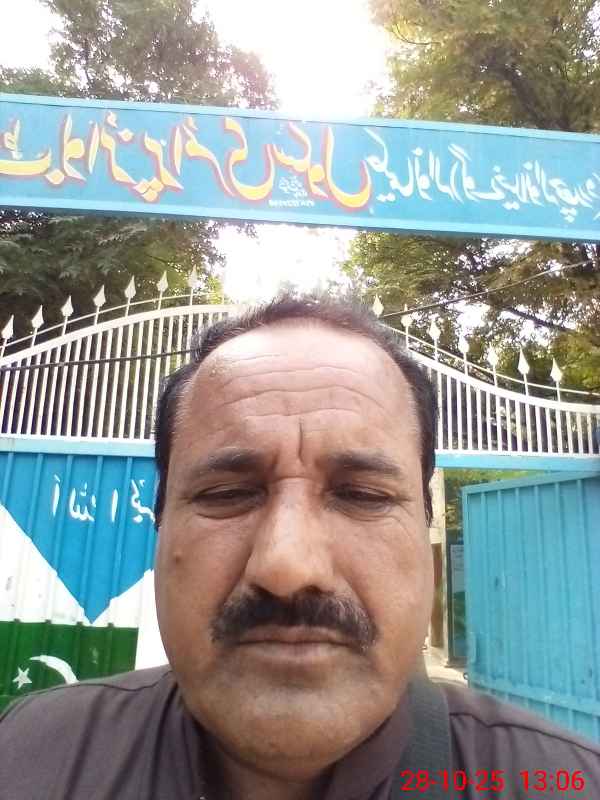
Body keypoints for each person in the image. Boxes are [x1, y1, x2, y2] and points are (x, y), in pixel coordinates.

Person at [1, 295, 599, 799]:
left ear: (427, 546)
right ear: (159, 529)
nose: (286, 567)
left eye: (362, 495)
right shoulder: (28, 757)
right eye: (228, 494)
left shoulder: (566, 782)